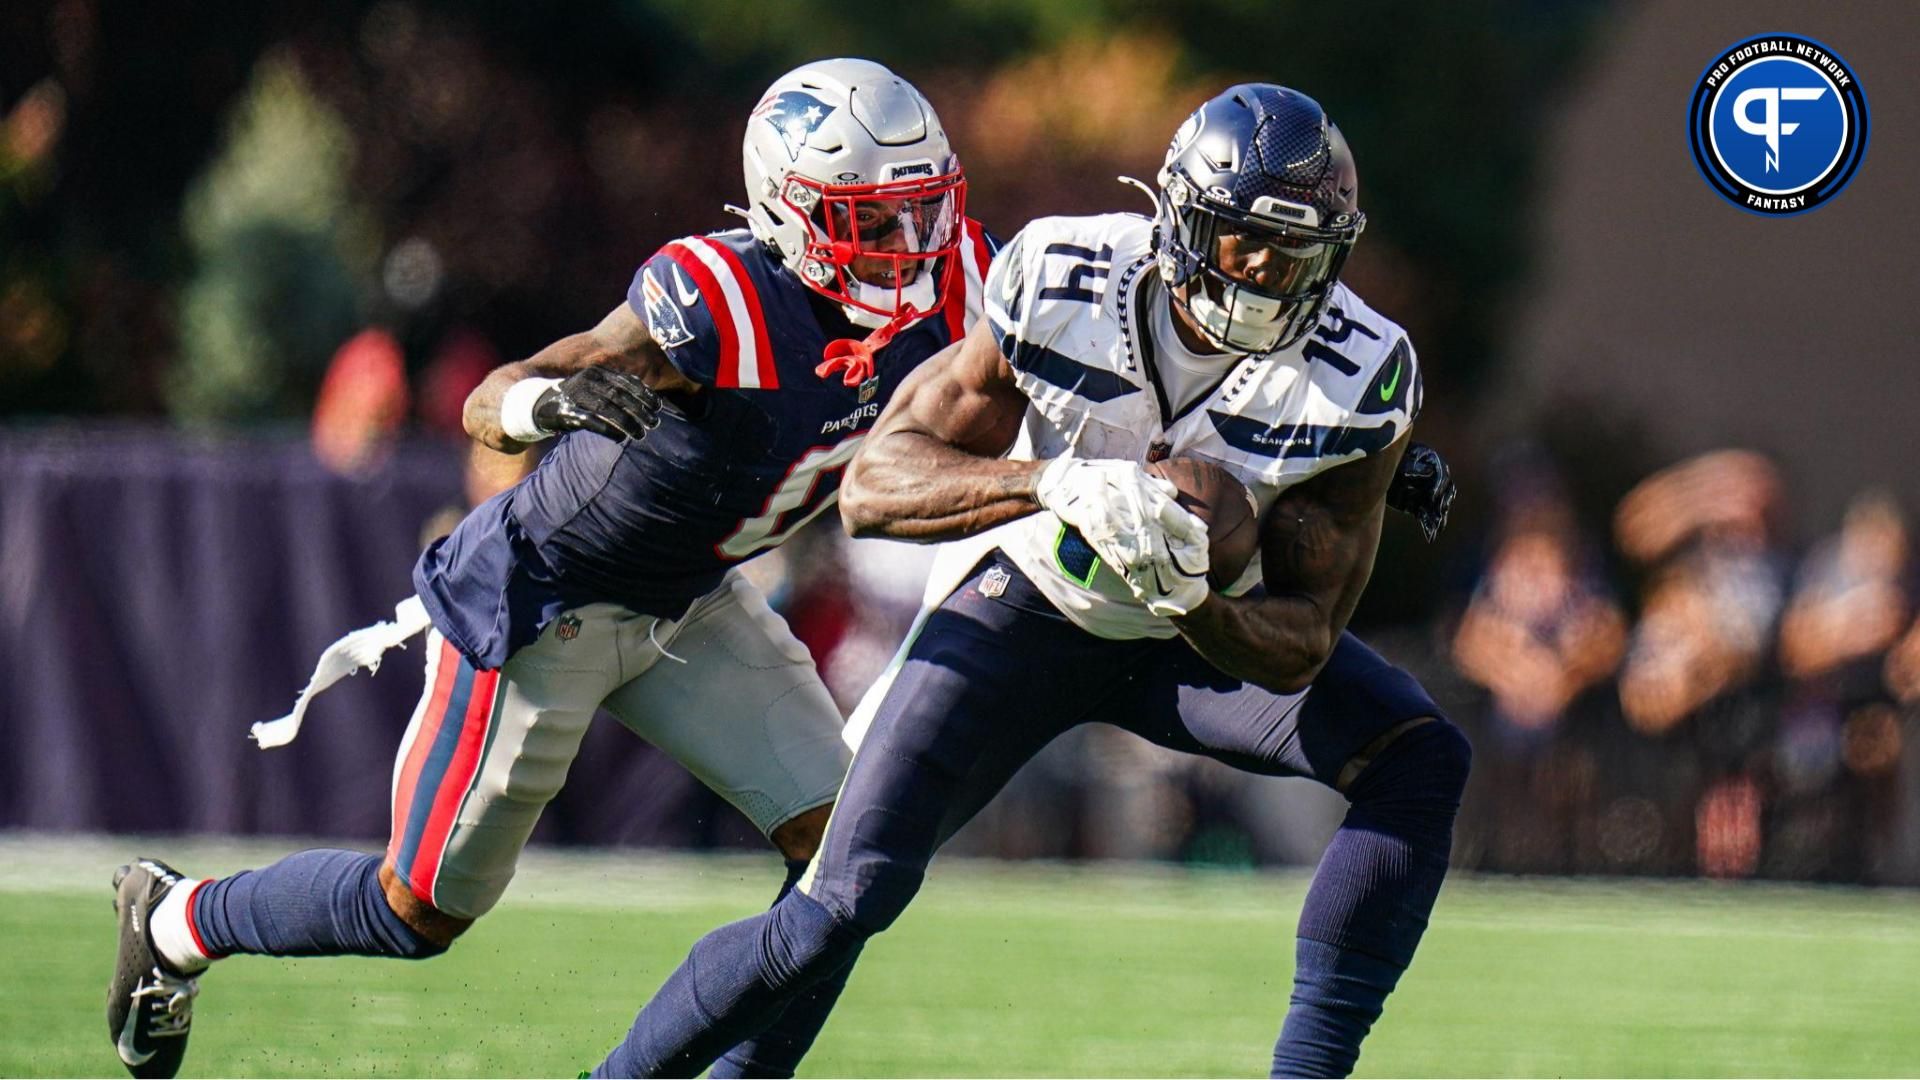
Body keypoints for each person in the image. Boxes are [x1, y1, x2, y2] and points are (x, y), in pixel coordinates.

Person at [105, 57, 994, 1080]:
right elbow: (502, 392)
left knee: (850, 861)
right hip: (545, 603)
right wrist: (547, 407)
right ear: (789, 215)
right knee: (419, 911)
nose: (909, 249)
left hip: (688, 604)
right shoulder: (718, 298)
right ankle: (175, 920)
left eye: (921, 212)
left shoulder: (963, 274)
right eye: (871, 222)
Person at [590, 84, 1465, 1080]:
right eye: (1244, 242)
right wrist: (1056, 481)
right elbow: (875, 487)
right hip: (1030, 603)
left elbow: (1305, 637)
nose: (1268, 275)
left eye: (1297, 253)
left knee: (1419, 756)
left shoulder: (1360, 372)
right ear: (1179, 218)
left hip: (1192, 641)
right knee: (841, 894)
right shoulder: (1066, 277)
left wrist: (1193, 599)